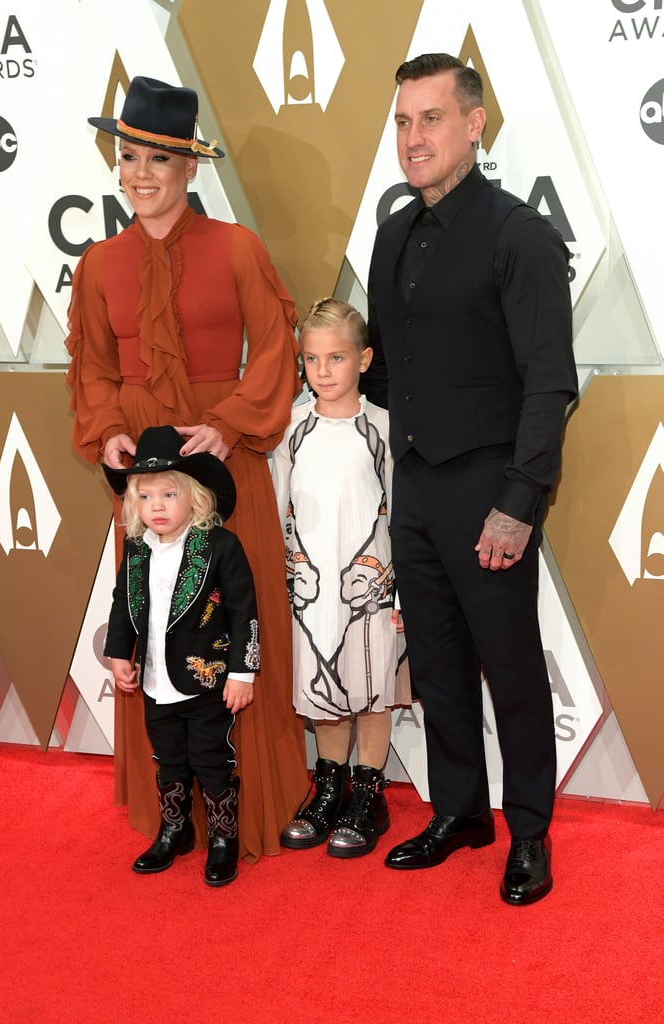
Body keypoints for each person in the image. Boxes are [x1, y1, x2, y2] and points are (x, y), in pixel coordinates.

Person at [65, 75, 308, 863]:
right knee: (155, 619)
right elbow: (93, 369)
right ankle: (175, 813)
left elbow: (276, 348)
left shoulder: (236, 247)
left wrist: (230, 422)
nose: (139, 173)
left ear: (191, 168)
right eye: (128, 155)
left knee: (233, 619)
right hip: (146, 478)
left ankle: (248, 807)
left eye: (158, 159)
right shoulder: (99, 263)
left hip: (222, 461)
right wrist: (105, 429)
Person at [362, 53, 578, 904]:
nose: (414, 138)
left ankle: (529, 829)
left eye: (432, 119)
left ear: (474, 124)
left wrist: (518, 504)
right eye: (403, 122)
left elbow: (550, 382)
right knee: (440, 663)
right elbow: (394, 368)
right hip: (413, 486)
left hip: (489, 490)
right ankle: (460, 810)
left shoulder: (518, 233)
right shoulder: (390, 233)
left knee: (512, 667)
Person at [272, 298, 407, 858]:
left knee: (371, 685)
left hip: (371, 582)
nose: (322, 372)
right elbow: (281, 504)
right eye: (311, 359)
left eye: (336, 358)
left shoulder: (384, 427)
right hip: (310, 583)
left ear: (365, 359)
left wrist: (392, 578)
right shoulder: (290, 429)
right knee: (324, 683)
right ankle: (329, 785)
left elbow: (400, 507)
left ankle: (368, 792)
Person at [103, 426, 258, 886]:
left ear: (195, 497)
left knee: (211, 759)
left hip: (207, 681)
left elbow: (244, 611)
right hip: (154, 683)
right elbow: (121, 603)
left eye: (169, 494)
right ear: (134, 503)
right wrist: (117, 655)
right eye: (146, 496)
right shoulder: (135, 550)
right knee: (168, 759)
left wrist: (242, 673)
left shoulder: (219, 546)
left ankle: (223, 837)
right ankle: (175, 828)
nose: (157, 506)